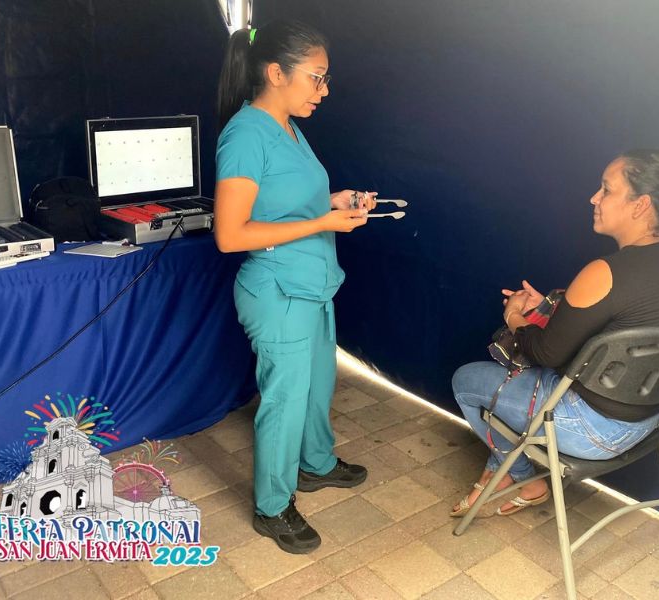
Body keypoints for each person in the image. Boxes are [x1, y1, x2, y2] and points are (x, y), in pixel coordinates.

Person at [450, 149, 659, 517]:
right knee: (519, 385)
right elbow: (620, 330)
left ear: (641, 205)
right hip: (647, 423)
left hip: (589, 431)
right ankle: (500, 472)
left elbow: (545, 353)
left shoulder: (605, 272)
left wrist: (514, 316)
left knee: (467, 381)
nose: (593, 198)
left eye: (606, 189)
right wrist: (551, 308)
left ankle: (521, 476)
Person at [214, 20, 377, 554]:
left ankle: (316, 464)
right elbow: (230, 234)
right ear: (276, 73)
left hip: (312, 285)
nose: (324, 91)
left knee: (316, 386)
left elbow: (284, 203)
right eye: (317, 77)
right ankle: (273, 506)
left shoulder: (288, 127)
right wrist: (321, 223)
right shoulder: (246, 135)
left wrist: (334, 201)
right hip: (278, 290)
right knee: (284, 401)